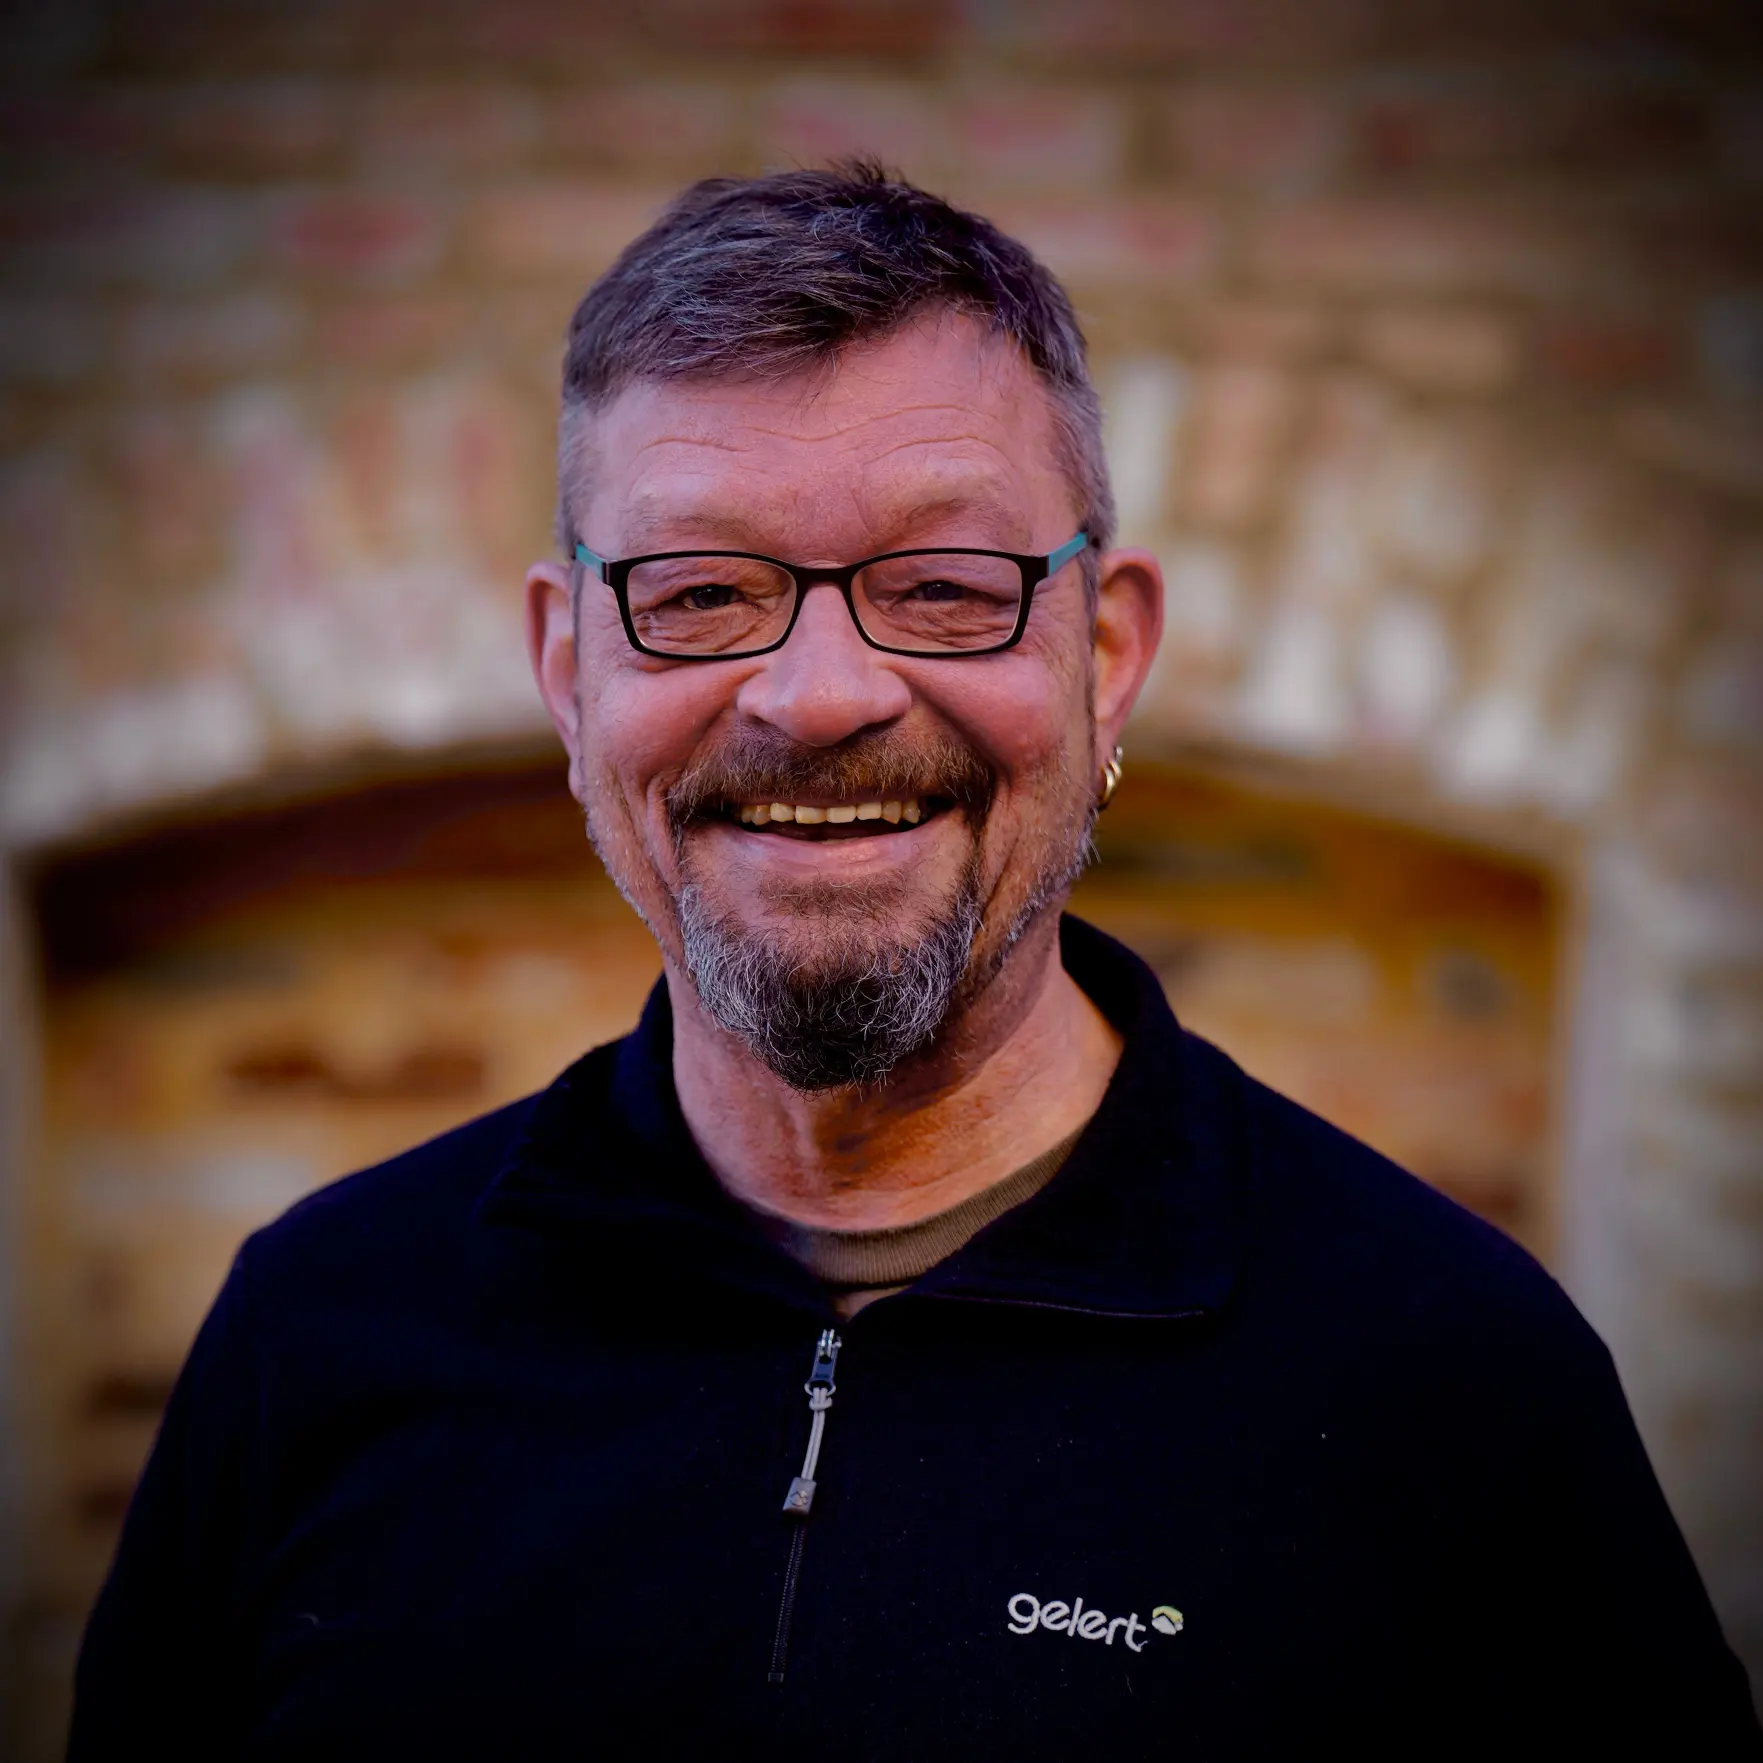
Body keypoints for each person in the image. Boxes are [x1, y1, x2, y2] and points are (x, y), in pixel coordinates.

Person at [69, 162, 1759, 1760]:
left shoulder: (1449, 1379)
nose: (818, 696)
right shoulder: (321, 1327)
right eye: (700, 592)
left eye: (944, 586)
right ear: (567, 666)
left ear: (1107, 652)